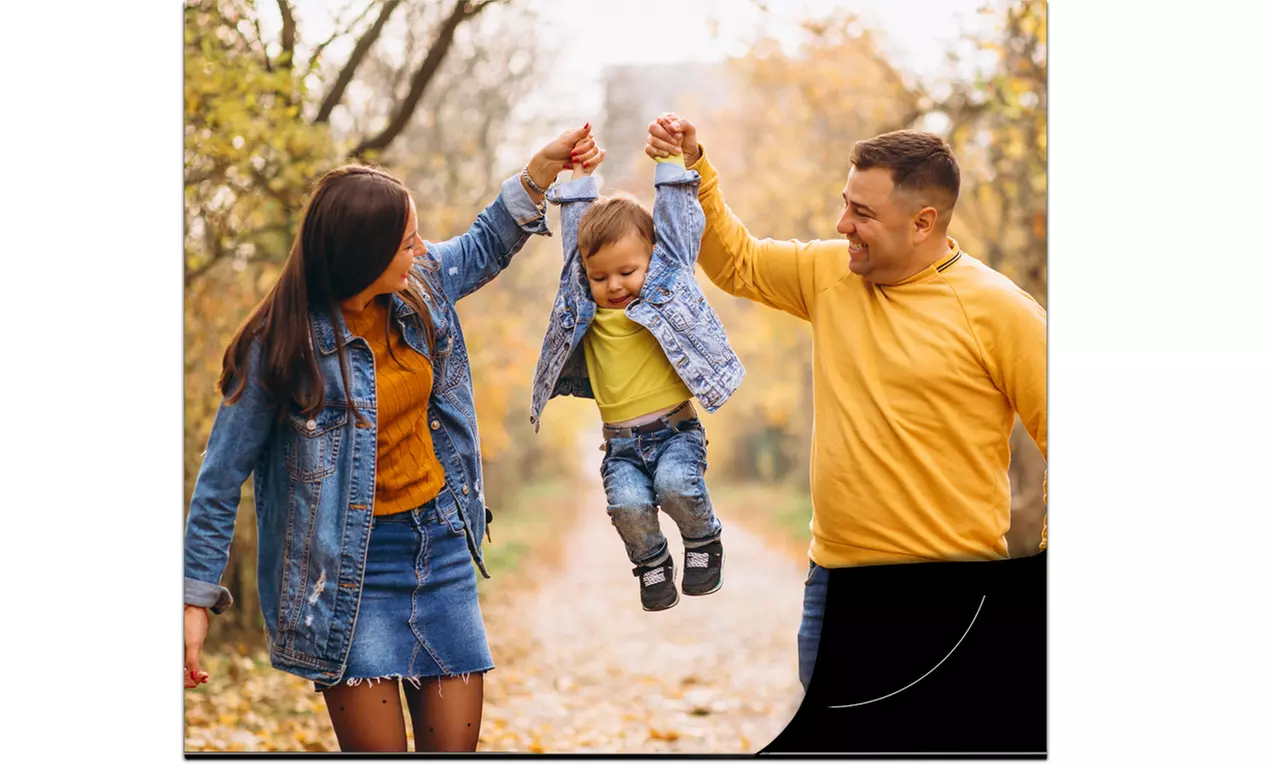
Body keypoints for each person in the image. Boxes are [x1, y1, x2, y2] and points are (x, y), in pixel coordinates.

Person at [182, 124, 599, 752]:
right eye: (407, 242)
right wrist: (193, 599)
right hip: (347, 573)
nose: (422, 249)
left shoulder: (419, 285)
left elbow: (486, 244)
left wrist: (540, 174)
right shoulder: (279, 346)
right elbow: (218, 482)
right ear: (363, 257)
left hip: (440, 550)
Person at [645, 114, 1047, 690]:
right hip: (832, 583)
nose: (843, 224)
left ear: (922, 222)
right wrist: (694, 168)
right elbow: (738, 262)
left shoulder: (999, 311)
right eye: (845, 204)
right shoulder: (831, 273)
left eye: (863, 213)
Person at [528, 131, 744, 612]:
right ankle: (651, 562)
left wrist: (670, 162)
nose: (614, 285)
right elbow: (575, 242)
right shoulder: (583, 299)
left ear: (651, 259)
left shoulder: (667, 285)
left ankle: (703, 540)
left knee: (675, 485)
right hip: (621, 443)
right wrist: (581, 179)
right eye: (601, 276)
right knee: (625, 505)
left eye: (627, 271)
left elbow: (677, 225)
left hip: (675, 432)